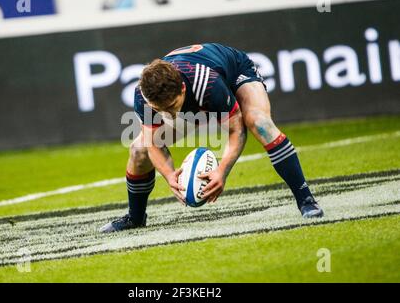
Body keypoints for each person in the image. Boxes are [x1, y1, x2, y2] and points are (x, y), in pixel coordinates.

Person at [100, 43, 323, 233]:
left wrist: (222, 171)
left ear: (183, 90)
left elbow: (236, 131)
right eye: (160, 109)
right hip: (195, 104)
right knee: (138, 149)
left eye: (171, 106)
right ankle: (135, 217)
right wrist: (169, 176)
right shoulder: (143, 95)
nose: (166, 114)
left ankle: (306, 200)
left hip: (234, 72)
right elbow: (152, 144)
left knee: (258, 122)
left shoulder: (207, 83)